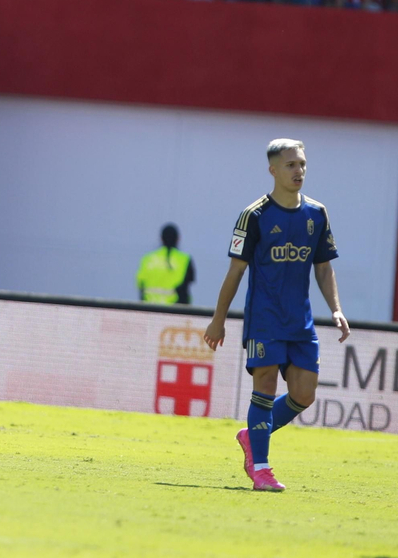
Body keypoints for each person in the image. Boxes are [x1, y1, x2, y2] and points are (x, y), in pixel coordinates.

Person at [204, 139, 349, 492]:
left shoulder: (317, 213)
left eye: (301, 164)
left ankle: (252, 436)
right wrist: (218, 319)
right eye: (290, 165)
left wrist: (336, 308)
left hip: (300, 322)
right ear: (272, 170)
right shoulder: (254, 215)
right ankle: (262, 469)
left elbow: (324, 269)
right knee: (265, 388)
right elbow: (235, 272)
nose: (298, 170)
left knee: (304, 394)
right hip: (264, 319)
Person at [137, 223, 195, 304]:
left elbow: (140, 284)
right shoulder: (185, 259)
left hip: (149, 308)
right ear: (178, 239)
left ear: (161, 238)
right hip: (176, 311)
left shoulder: (147, 259)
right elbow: (189, 282)